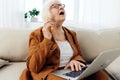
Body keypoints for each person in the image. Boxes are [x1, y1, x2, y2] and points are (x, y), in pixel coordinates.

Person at [20, 0, 109, 80]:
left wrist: (75, 60)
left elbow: (78, 54)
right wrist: (47, 39)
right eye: (55, 6)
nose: (61, 7)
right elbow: (33, 66)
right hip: (49, 73)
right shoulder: (36, 34)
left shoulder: (71, 34)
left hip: (68, 71)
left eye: (61, 5)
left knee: (99, 74)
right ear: (47, 15)